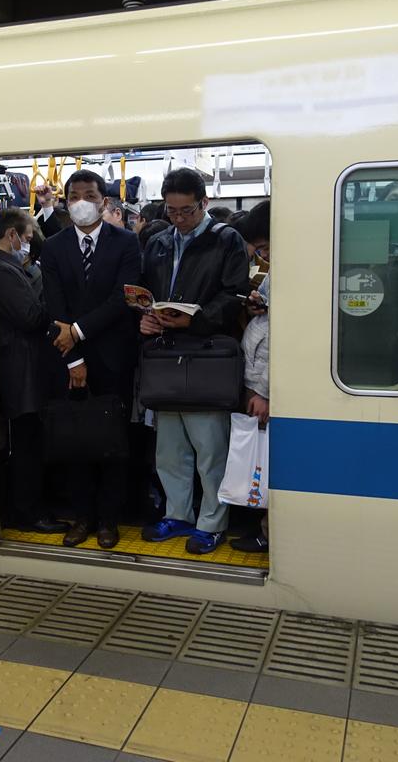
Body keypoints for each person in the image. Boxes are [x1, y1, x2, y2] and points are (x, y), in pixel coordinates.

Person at [139, 168, 250, 554]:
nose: (178, 218)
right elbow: (148, 291)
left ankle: (212, 522)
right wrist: (147, 315)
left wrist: (195, 318)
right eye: (171, 211)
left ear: (203, 203)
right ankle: (178, 513)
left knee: (210, 448)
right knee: (170, 449)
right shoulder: (156, 242)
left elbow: (236, 295)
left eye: (186, 211)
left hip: (207, 355)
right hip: (166, 354)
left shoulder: (226, 240)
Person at [40, 170, 142, 549]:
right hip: (69, 360)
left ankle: (109, 520)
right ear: (66, 201)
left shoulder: (126, 243)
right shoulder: (53, 246)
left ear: (104, 200)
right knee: (76, 441)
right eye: (74, 195)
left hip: (114, 356)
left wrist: (78, 331)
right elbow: (54, 305)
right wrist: (73, 359)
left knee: (112, 443)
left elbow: (123, 297)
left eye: (89, 194)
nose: (81, 201)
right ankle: (81, 517)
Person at [0, 209, 68, 534]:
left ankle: (28, 508)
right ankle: (27, 513)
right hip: (19, 370)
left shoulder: (3, 266)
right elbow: (31, 317)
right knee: (26, 445)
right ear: (12, 236)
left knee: (27, 443)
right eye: (26, 237)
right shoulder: (3, 271)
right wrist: (55, 296)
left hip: (17, 366)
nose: (27, 244)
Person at [231, 272, 271, 553]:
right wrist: (255, 303)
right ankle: (263, 526)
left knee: (269, 463)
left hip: (264, 388)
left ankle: (270, 533)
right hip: (254, 382)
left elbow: (285, 346)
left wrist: (265, 392)